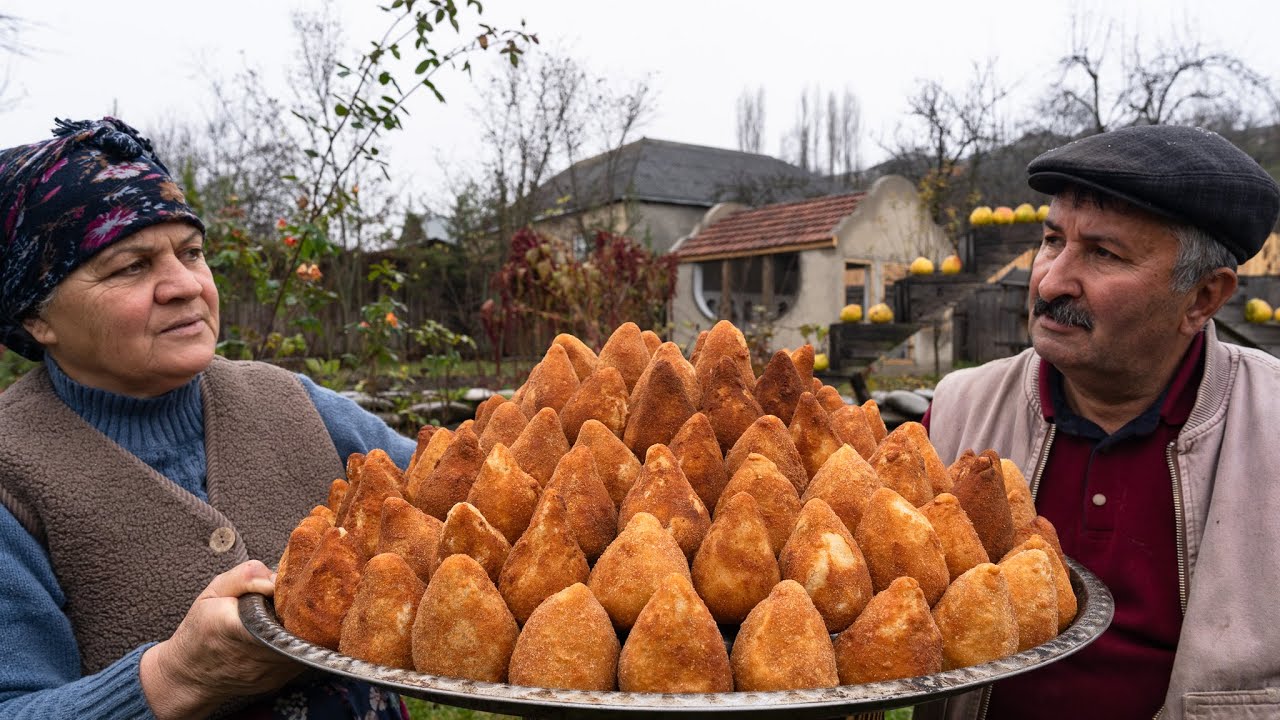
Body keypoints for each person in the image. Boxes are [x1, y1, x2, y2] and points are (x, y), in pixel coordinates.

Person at [0, 117, 418, 719]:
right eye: (131, 266)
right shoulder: (13, 471)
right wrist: (174, 678)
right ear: (38, 318)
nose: (184, 285)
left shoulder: (286, 400)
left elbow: (462, 494)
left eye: (191, 253)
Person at [921, 125, 1280, 719]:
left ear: (1203, 298)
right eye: (1051, 240)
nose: (1051, 280)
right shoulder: (956, 415)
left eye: (1104, 254)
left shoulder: (1269, 426)